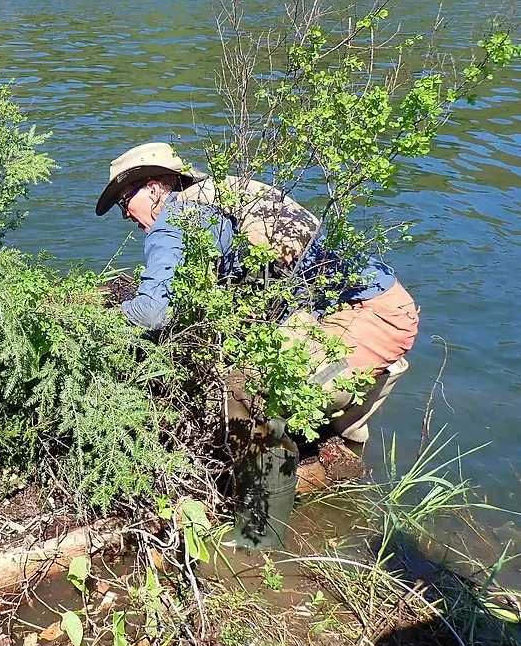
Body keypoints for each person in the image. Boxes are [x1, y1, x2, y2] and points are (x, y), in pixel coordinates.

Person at [95, 142, 419, 442]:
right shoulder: (222, 193)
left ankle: (256, 500)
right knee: (336, 432)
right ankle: (351, 414)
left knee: (242, 388)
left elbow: (153, 313)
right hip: (382, 305)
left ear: (153, 188)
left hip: (364, 320)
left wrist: (97, 317)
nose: (125, 215)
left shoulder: (177, 217)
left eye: (125, 201)